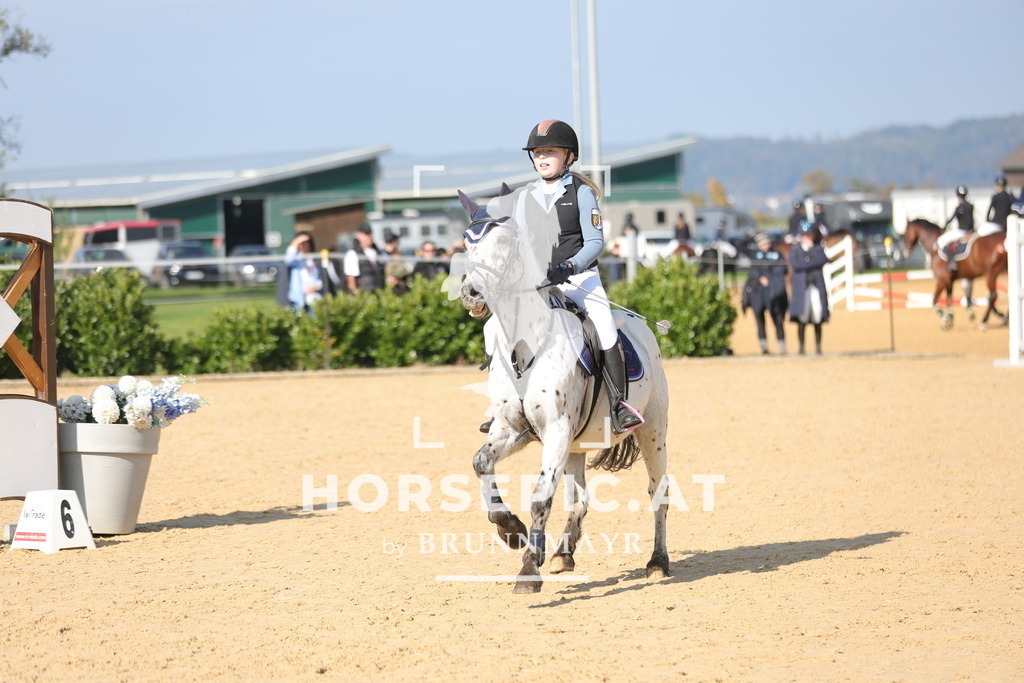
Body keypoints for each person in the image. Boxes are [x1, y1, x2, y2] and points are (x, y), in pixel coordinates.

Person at [516, 118, 642, 434]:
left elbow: (595, 242)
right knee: (508, 326)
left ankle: (619, 405)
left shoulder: (582, 193)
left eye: (550, 152)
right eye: (538, 153)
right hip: (540, 285)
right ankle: (506, 407)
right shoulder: (525, 196)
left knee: (604, 326)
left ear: (569, 156)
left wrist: (570, 266)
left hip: (580, 280)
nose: (542, 158)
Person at [742, 232, 788, 354]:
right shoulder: (754, 255)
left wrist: (770, 279)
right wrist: (752, 235)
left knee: (777, 320)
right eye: (762, 244)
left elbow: (783, 270)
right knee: (759, 320)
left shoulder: (777, 255)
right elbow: (740, 245)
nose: (765, 246)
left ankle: (782, 347)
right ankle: (764, 348)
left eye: (767, 243)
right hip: (758, 291)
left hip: (773, 291)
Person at [788, 221, 829, 355]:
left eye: (809, 235)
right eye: (805, 235)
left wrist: (811, 251)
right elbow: (796, 265)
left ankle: (818, 347)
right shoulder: (795, 249)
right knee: (802, 315)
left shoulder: (817, 248)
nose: (807, 237)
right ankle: (801, 347)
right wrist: (811, 263)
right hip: (802, 287)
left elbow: (823, 260)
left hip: (815, 285)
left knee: (818, 314)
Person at [283, 232, 323, 314]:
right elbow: (288, 260)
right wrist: (295, 243)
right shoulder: (296, 259)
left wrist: (315, 287)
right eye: (302, 243)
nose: (305, 245)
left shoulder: (315, 259)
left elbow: (320, 277)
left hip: (314, 296)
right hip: (299, 297)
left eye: (307, 243)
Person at [940, 185, 975, 272]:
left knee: (944, 241)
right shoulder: (970, 206)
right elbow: (972, 220)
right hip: (970, 231)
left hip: (961, 231)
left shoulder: (959, 207)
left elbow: (951, 219)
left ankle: (952, 262)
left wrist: (944, 227)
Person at [343, 223, 385, 293]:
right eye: (366, 235)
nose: (369, 237)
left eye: (370, 234)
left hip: (380, 293)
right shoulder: (352, 254)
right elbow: (351, 281)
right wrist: (357, 296)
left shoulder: (378, 252)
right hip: (364, 295)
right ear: (359, 235)